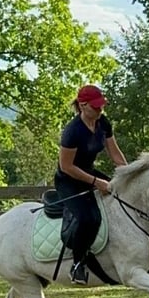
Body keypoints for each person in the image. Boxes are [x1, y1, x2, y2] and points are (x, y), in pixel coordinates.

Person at [55, 84, 127, 285]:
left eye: (101, 106)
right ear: (82, 105)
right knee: (89, 219)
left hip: (88, 171)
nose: (100, 110)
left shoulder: (103, 123)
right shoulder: (72, 131)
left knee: (122, 199)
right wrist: (97, 182)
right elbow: (66, 166)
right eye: (95, 107)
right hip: (68, 179)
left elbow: (115, 154)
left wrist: (128, 175)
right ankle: (78, 264)